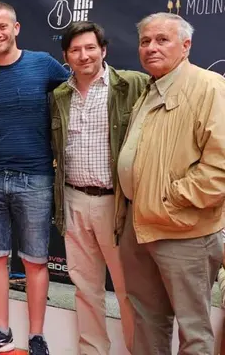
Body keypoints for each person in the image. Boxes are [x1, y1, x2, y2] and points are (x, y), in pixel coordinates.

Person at [116, 12, 225, 355]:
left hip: (184, 231)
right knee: (148, 321)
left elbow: (220, 167)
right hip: (139, 224)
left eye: (162, 40)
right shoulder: (150, 89)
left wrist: (172, 199)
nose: (151, 48)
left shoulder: (209, 86)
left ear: (186, 45)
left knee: (193, 330)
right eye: (145, 41)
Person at [0, 1, 69, 355]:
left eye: (2, 27)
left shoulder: (44, 65)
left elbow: (76, 97)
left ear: (16, 28)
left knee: (35, 260)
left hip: (36, 177)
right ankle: (1, 332)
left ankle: (36, 336)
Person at [50, 21, 147, 354]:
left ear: (103, 50)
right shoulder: (60, 95)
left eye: (90, 48)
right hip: (74, 200)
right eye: (75, 50)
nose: (83, 55)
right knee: (85, 287)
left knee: (128, 290)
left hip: (116, 204)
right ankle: (92, 350)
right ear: (66, 56)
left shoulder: (131, 85)